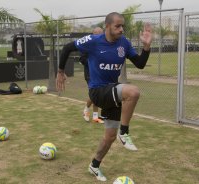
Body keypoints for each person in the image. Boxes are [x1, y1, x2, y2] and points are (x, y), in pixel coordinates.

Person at [56, 12, 152, 181]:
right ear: (107, 26)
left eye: (123, 26)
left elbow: (140, 64)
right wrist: (60, 71)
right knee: (133, 92)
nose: (121, 29)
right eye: (117, 26)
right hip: (98, 92)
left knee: (109, 137)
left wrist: (146, 47)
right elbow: (67, 48)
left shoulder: (124, 43)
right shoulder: (94, 41)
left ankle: (94, 165)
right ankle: (125, 132)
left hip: (112, 92)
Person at [80, 27, 104, 124]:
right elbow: (82, 59)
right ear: (92, 34)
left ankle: (95, 117)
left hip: (100, 75)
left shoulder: (103, 45)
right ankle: (86, 110)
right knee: (94, 94)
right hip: (90, 74)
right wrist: (92, 62)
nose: (98, 35)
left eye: (100, 33)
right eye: (96, 34)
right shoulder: (88, 45)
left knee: (97, 96)